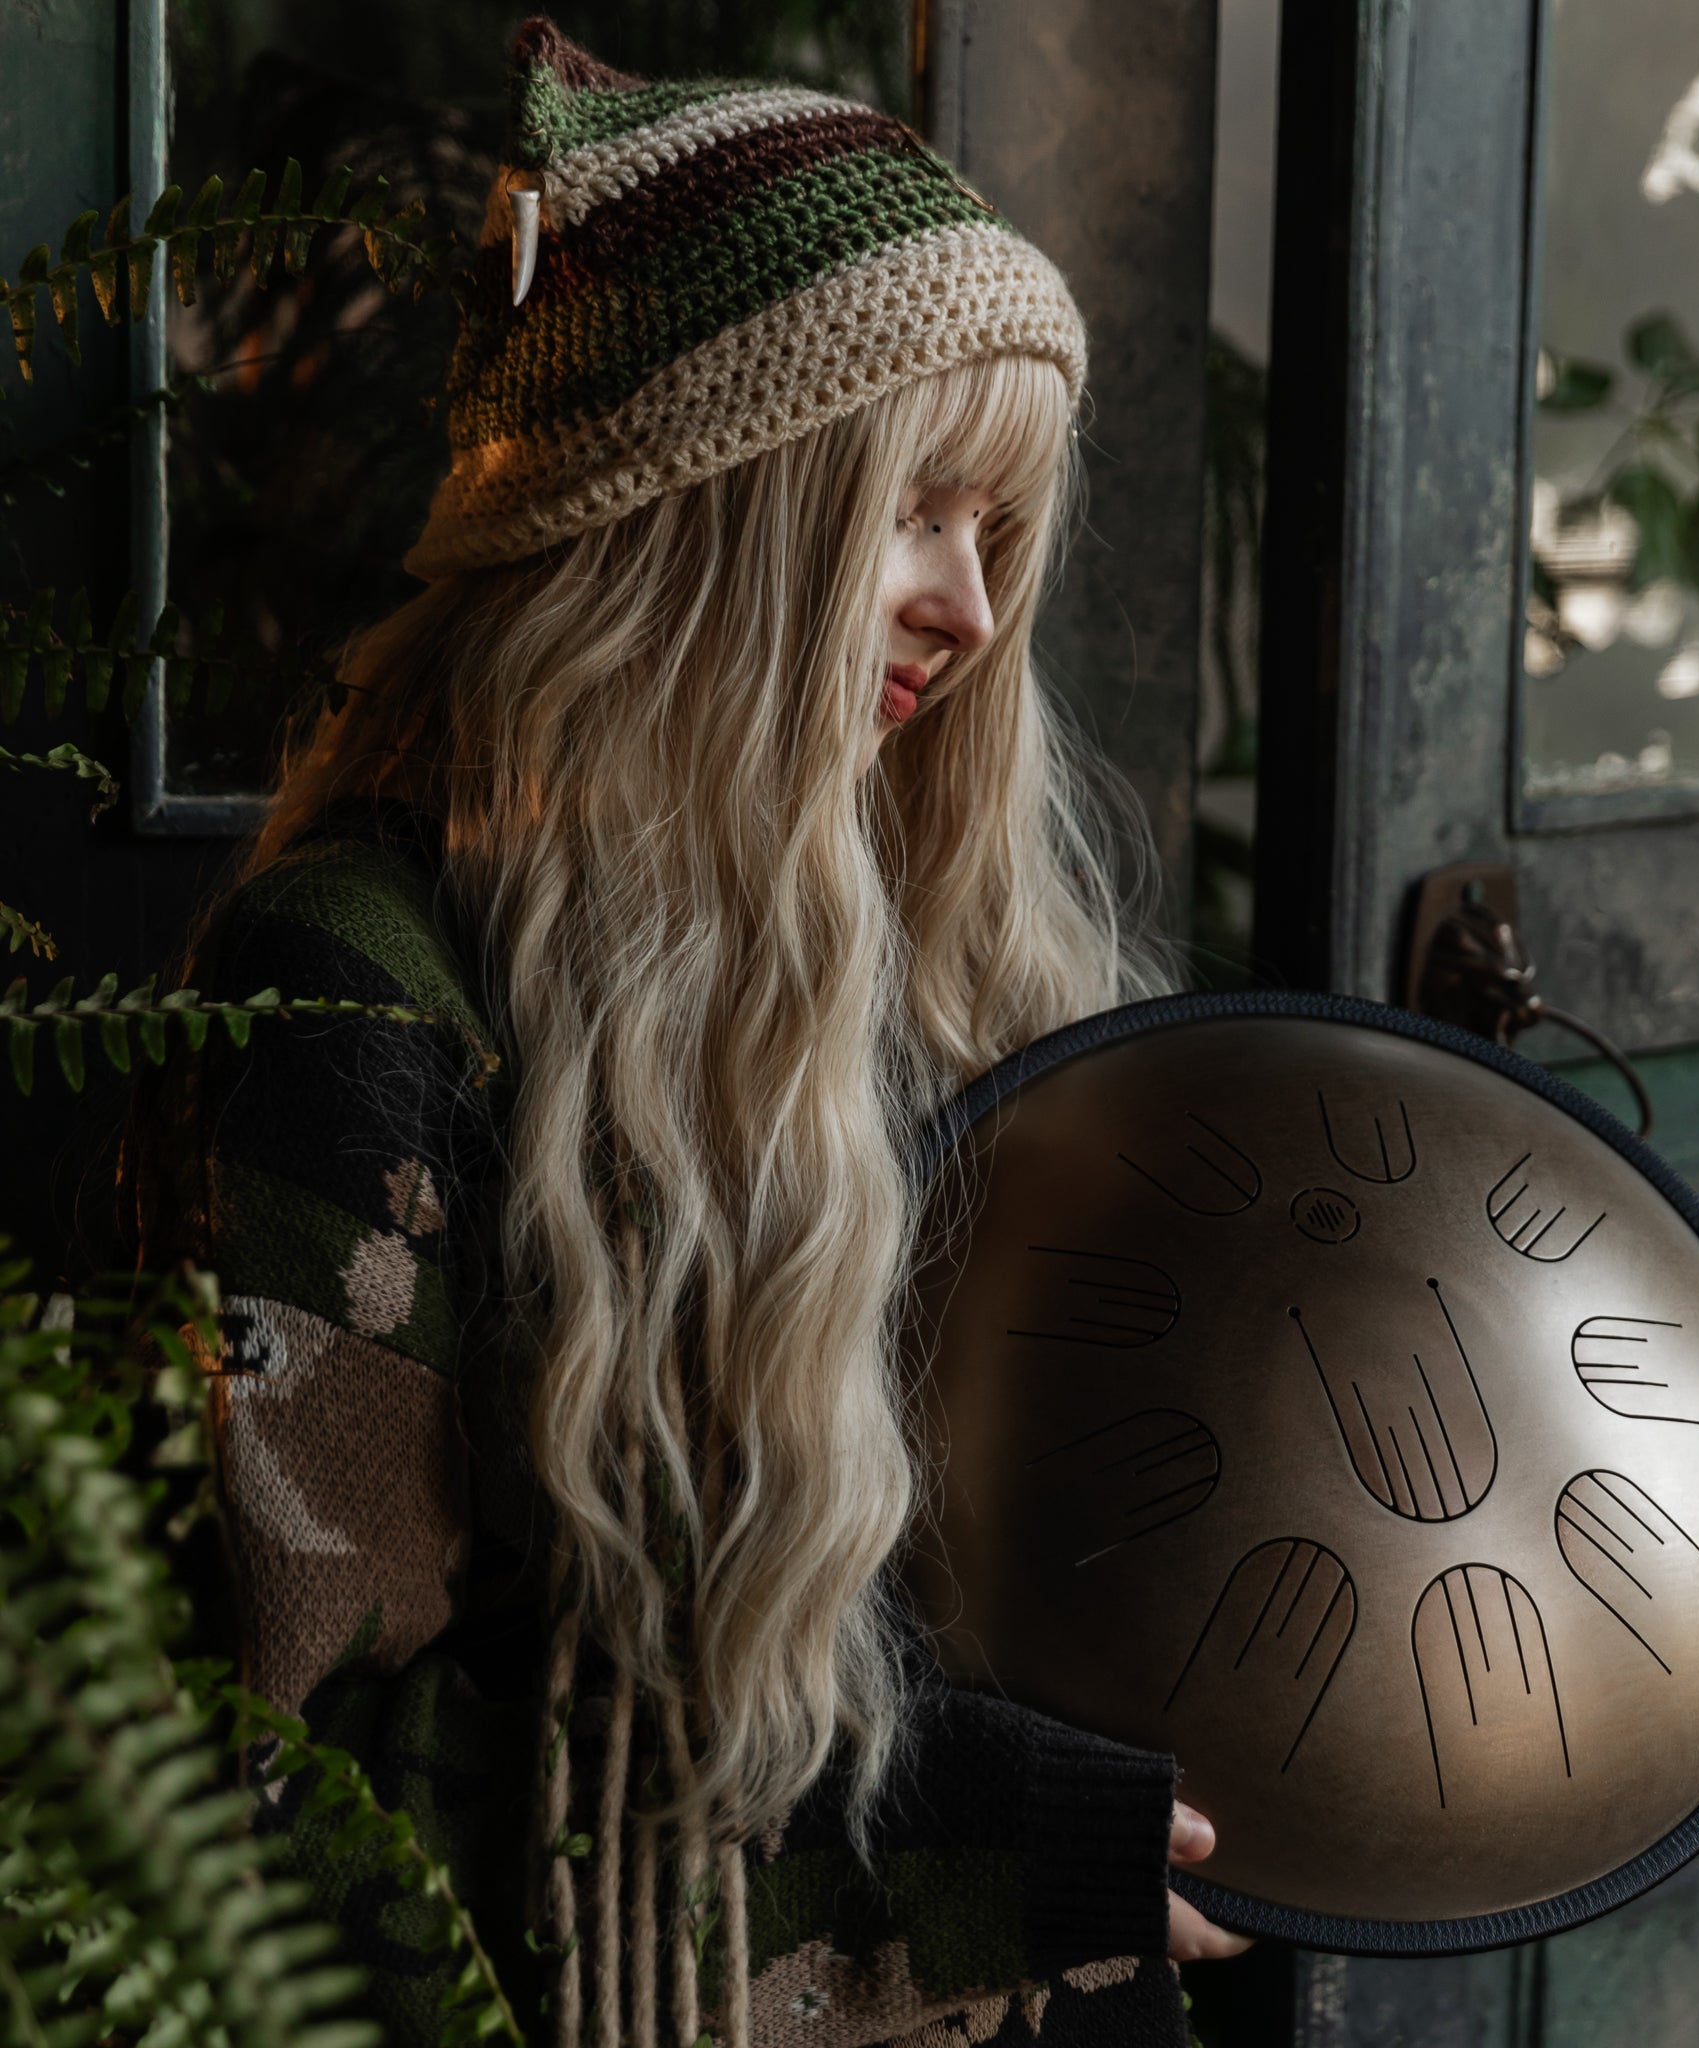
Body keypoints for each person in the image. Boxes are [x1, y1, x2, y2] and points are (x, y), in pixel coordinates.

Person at [129, 18, 1252, 2046]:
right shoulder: (355, 995)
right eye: (911, 510)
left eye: (1000, 533)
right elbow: (289, 1803)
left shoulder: (915, 956)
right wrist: (955, 1845)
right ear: (700, 514)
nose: (972, 613)